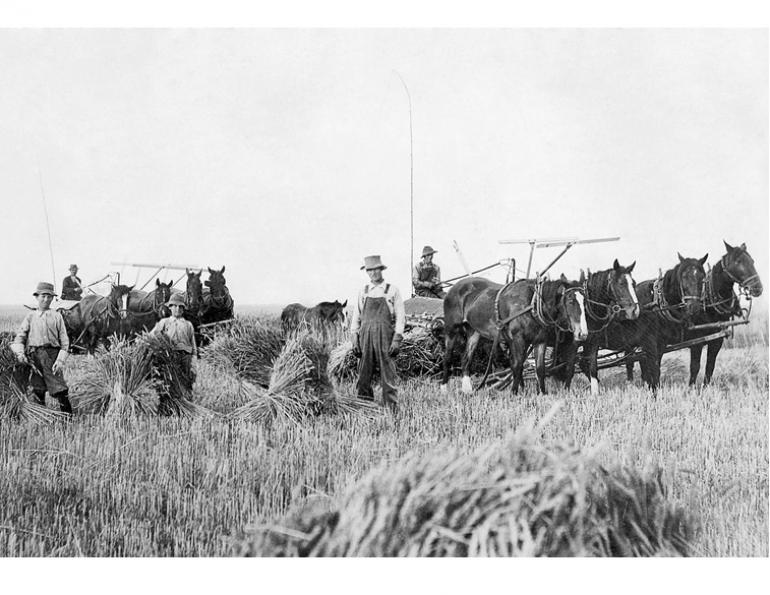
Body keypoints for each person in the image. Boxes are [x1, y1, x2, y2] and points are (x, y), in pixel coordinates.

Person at [350, 255, 405, 413]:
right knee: (363, 375)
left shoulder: (392, 290)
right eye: (370, 270)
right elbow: (356, 319)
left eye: (376, 269)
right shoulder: (363, 291)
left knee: (388, 375)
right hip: (365, 337)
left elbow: (401, 318)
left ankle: (391, 409)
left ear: (381, 269)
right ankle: (365, 407)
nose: (373, 273)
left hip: (385, 337)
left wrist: (396, 340)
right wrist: (355, 340)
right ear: (367, 272)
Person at [11, 282, 73, 414]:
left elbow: (65, 341)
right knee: (38, 388)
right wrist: (20, 353)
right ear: (37, 297)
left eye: (49, 297)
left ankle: (68, 420)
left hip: (52, 356)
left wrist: (60, 360)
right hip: (34, 357)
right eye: (43, 296)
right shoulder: (30, 317)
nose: (46, 299)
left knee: (60, 388)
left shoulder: (57, 316)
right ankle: (43, 417)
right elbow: (20, 338)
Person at [150, 293, 198, 399]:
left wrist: (193, 365)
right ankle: (169, 407)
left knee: (186, 385)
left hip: (185, 359)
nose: (178, 309)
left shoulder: (188, 325)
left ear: (183, 309)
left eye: (181, 306)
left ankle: (186, 406)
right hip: (169, 360)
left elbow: (193, 348)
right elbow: (151, 336)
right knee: (169, 385)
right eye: (175, 306)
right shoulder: (164, 322)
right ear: (170, 307)